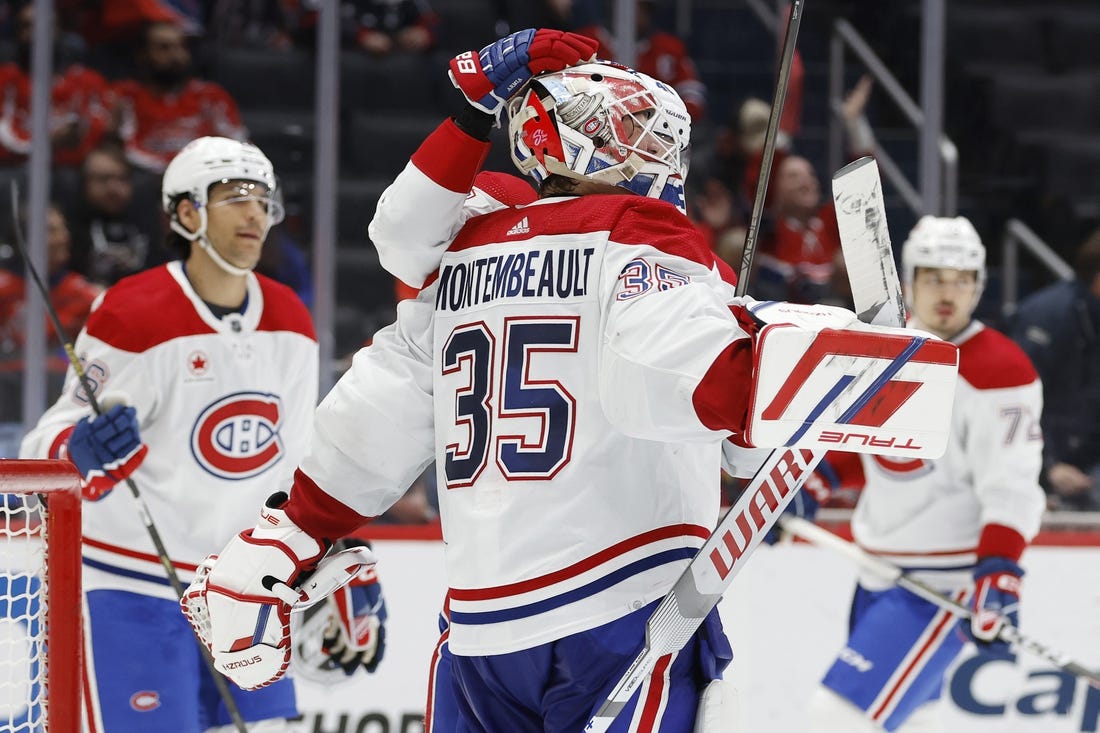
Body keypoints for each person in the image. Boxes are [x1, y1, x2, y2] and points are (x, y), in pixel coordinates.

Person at [179, 29, 954, 731]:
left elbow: (380, 405)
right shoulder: (638, 234)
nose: (648, 147)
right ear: (558, 143)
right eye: (623, 131)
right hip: (617, 608)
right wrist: (839, 374)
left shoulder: (459, 257)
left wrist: (292, 528)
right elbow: (698, 373)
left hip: (482, 625)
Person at [18, 137, 382, 732]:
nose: (254, 213)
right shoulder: (133, 312)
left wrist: (334, 554)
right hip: (131, 584)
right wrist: (79, 448)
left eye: (263, 198)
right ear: (186, 214)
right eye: (235, 196)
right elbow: (46, 447)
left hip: (244, 589)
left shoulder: (291, 316)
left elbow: (296, 465)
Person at [803, 216, 1046, 732]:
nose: (948, 292)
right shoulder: (890, 344)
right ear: (910, 280)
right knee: (917, 722)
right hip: (878, 568)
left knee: (835, 719)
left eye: (961, 279)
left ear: (979, 286)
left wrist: (1000, 567)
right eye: (935, 277)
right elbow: (870, 438)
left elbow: (1013, 487)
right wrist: (819, 480)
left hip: (943, 585)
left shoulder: (1002, 370)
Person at [1011, 228, 1100, 510]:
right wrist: (1047, 466)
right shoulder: (1046, 316)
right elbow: (1014, 401)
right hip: (1036, 469)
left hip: (1089, 468)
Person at [0, 202, 101, 421]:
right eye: (50, 231)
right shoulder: (4, 289)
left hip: (60, 409)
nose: (61, 238)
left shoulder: (86, 295)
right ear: (24, 240)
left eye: (62, 229)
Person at [112, 20, 247, 173]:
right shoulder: (127, 96)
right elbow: (127, 148)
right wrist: (173, 169)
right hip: (147, 177)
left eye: (181, 46)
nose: (176, 56)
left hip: (203, 174)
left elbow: (237, 143)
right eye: (164, 48)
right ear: (143, 54)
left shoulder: (211, 96)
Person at [0, 1, 114, 167]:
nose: (35, 33)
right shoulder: (5, 79)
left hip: (74, 170)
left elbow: (98, 132)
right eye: (27, 26)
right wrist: (48, 142)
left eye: (44, 25)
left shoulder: (87, 80)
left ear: (58, 30)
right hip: (18, 169)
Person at [67, 140, 166, 287]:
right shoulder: (69, 226)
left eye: (122, 179)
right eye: (103, 179)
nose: (114, 188)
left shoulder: (149, 218)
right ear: (85, 183)